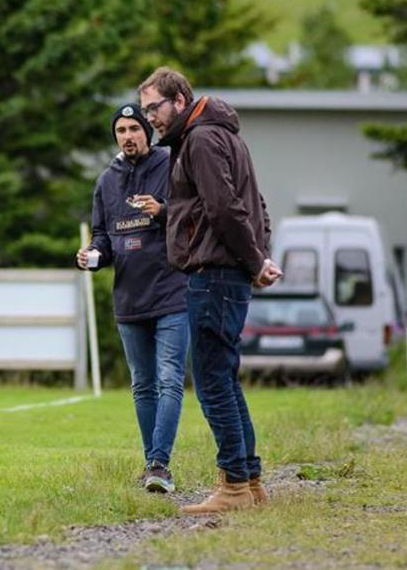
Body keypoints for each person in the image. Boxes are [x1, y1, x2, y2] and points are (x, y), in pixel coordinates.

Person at [138, 67, 283, 514]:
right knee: (225, 377)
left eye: (154, 108)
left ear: (179, 100)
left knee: (212, 382)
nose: (151, 120)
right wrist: (257, 255)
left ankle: (233, 486)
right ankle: (251, 480)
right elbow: (254, 203)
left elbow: (225, 207)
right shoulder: (223, 136)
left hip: (215, 274)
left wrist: (255, 260)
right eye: (145, 111)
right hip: (227, 272)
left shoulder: (201, 140)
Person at [76, 102, 188, 494]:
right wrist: (93, 257)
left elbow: (193, 215)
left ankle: (160, 464)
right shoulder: (107, 181)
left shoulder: (171, 164)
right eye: (121, 131)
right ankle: (151, 462)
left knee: (170, 379)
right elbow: (103, 237)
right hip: (129, 298)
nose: (128, 136)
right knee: (142, 385)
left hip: (172, 291)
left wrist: (162, 211)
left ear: (147, 131)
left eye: (134, 129)